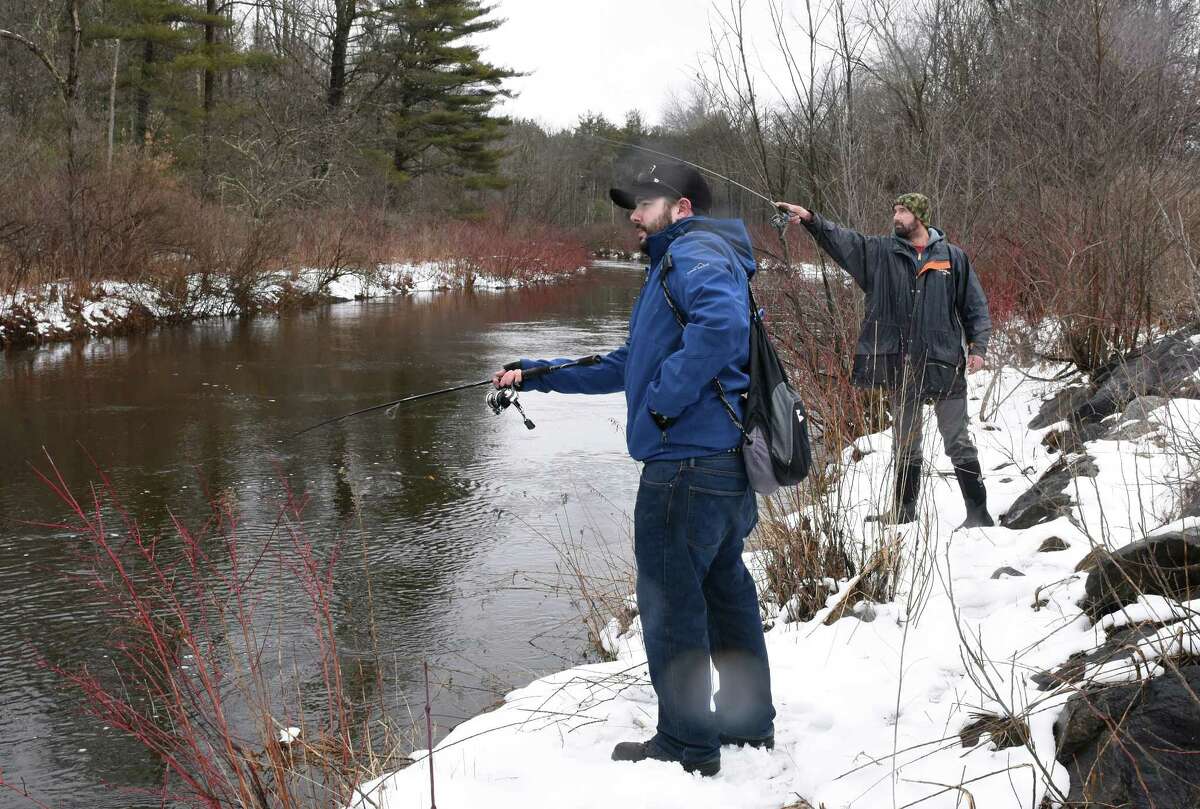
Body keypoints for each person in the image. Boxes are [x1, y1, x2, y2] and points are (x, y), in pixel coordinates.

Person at [493, 162, 775, 777]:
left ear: (682, 208)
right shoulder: (678, 264)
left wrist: (663, 402)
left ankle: (686, 742)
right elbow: (629, 364)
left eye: (645, 203)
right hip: (719, 465)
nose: (634, 215)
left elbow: (721, 329)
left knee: (671, 601)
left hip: (686, 466)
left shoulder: (694, 253)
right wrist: (538, 375)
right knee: (724, 590)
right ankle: (748, 722)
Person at [775, 194, 994, 529]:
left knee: (958, 440)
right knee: (905, 444)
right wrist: (809, 219)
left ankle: (978, 514)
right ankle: (904, 511)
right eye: (895, 210)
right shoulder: (880, 253)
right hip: (901, 366)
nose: (896, 216)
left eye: (903, 211)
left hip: (945, 363)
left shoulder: (953, 258)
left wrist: (978, 347)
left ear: (920, 216)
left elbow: (975, 307)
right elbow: (842, 241)